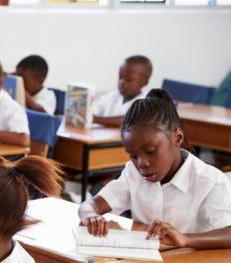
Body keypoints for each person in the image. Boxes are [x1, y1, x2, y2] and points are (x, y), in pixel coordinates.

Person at [79, 89, 231, 249]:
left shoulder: (210, 181)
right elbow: (90, 205)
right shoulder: (133, 173)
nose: (141, 163)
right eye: (133, 156)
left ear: (177, 138)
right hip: (147, 260)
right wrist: (90, 216)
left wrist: (186, 239)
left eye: (150, 151)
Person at [92, 55, 152, 127]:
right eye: (120, 77)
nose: (122, 82)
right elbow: (92, 110)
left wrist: (95, 119)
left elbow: (132, 120)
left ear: (145, 81)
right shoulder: (111, 97)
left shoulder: (148, 102)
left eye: (129, 79)